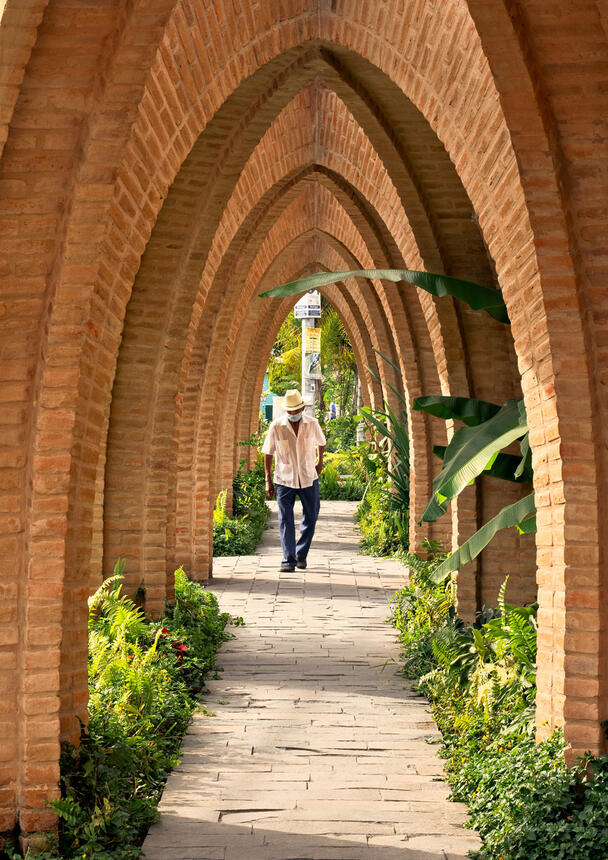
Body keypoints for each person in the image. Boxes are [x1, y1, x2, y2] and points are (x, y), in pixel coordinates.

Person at [261, 389, 326, 572]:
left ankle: (300, 554)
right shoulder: (276, 426)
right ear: (286, 410)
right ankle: (288, 560)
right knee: (285, 520)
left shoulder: (312, 424)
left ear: (302, 407)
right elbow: (268, 452)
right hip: (284, 479)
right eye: (290, 411)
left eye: (296, 410)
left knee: (311, 516)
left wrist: (319, 462)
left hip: (308, 477)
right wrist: (268, 479)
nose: (293, 414)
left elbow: (321, 442)